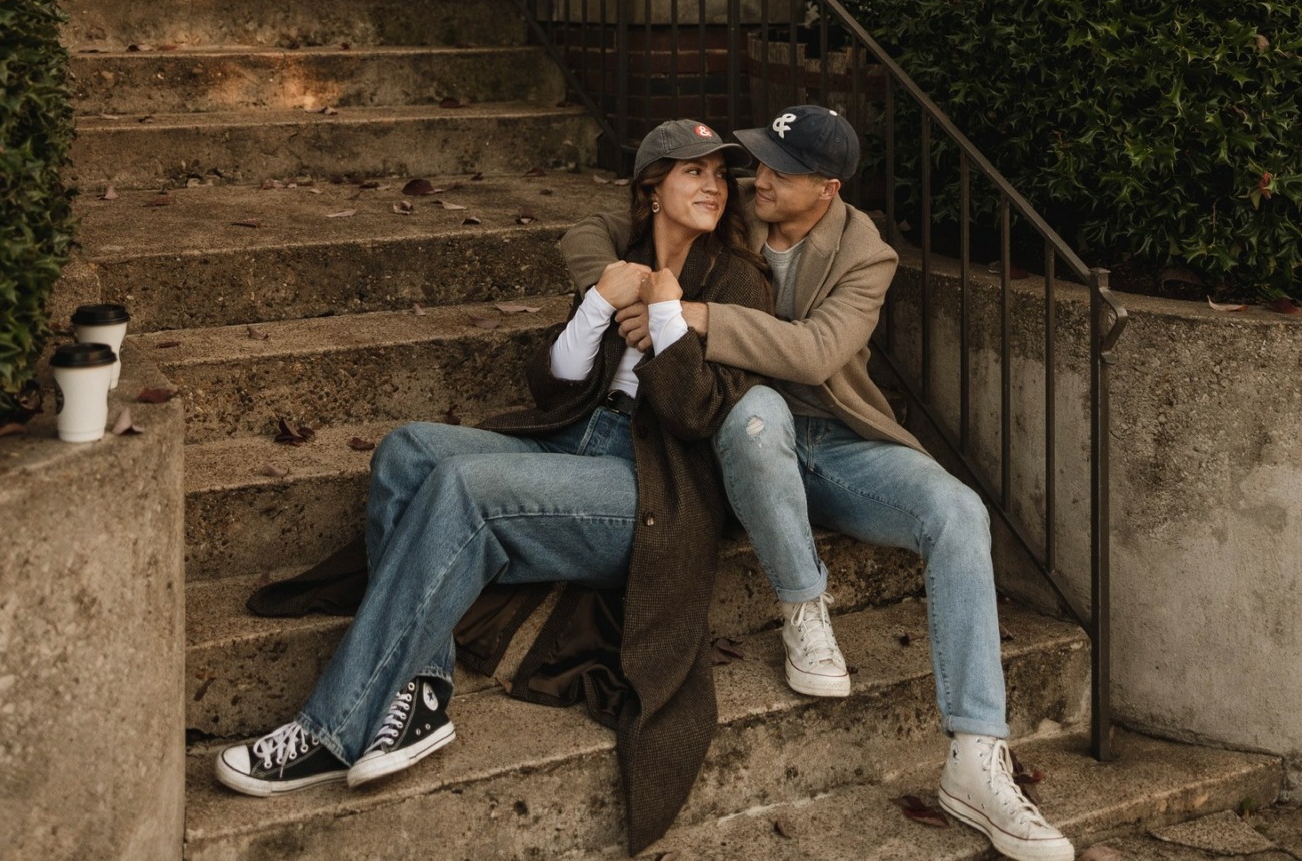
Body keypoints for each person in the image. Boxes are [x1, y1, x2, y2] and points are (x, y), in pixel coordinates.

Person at [214, 118, 774, 857]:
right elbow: (553, 388)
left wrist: (668, 319)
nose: (713, 186)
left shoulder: (737, 280)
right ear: (651, 188)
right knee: (408, 451)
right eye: (692, 171)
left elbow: (699, 414)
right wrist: (598, 304)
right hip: (577, 439)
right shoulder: (625, 262)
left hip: (652, 489)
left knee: (468, 486)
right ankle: (420, 689)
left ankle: (333, 728)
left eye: (719, 174)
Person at [560, 104, 1076, 861]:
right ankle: (804, 607)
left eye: (781, 170)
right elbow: (593, 231)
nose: (758, 178)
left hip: (832, 440)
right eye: (760, 161)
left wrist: (694, 314)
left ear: (827, 189)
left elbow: (814, 353)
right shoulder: (733, 201)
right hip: (732, 424)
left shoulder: (865, 253)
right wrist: (624, 296)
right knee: (759, 415)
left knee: (958, 510)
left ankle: (976, 754)